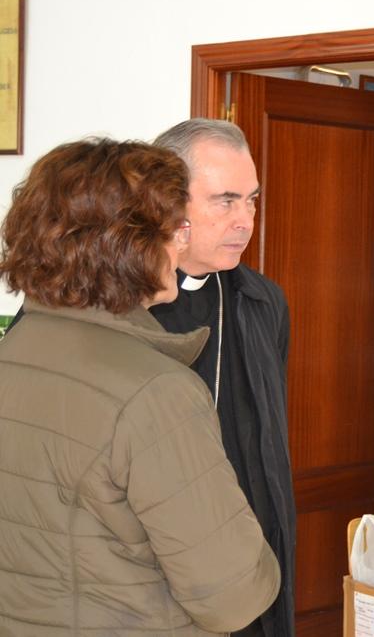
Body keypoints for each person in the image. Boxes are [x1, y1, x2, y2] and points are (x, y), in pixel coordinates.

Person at [0, 139, 280, 634]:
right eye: (172, 228)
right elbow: (231, 596)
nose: (180, 241)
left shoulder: (13, 353)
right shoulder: (157, 393)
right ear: (125, 246)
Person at [149, 118, 296, 637]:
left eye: (252, 200)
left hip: (251, 568)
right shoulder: (111, 306)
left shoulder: (263, 303)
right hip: (155, 581)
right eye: (225, 201)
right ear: (165, 202)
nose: (246, 221)